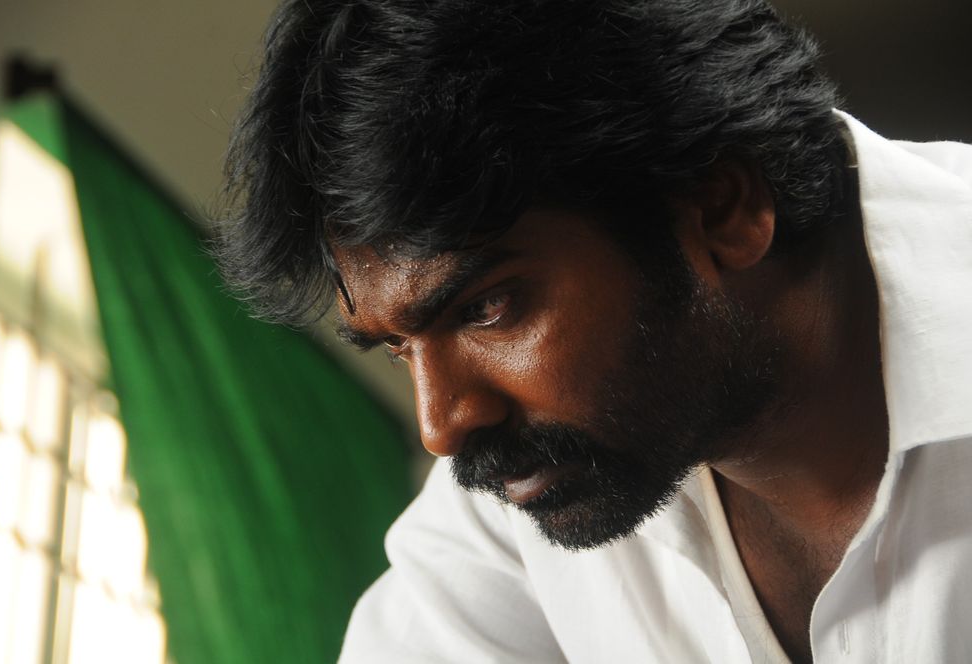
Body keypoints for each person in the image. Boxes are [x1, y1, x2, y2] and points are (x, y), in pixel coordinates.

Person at [215, 0, 972, 661]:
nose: (442, 427)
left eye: (486, 308)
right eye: (399, 347)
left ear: (723, 208)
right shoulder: (537, 481)